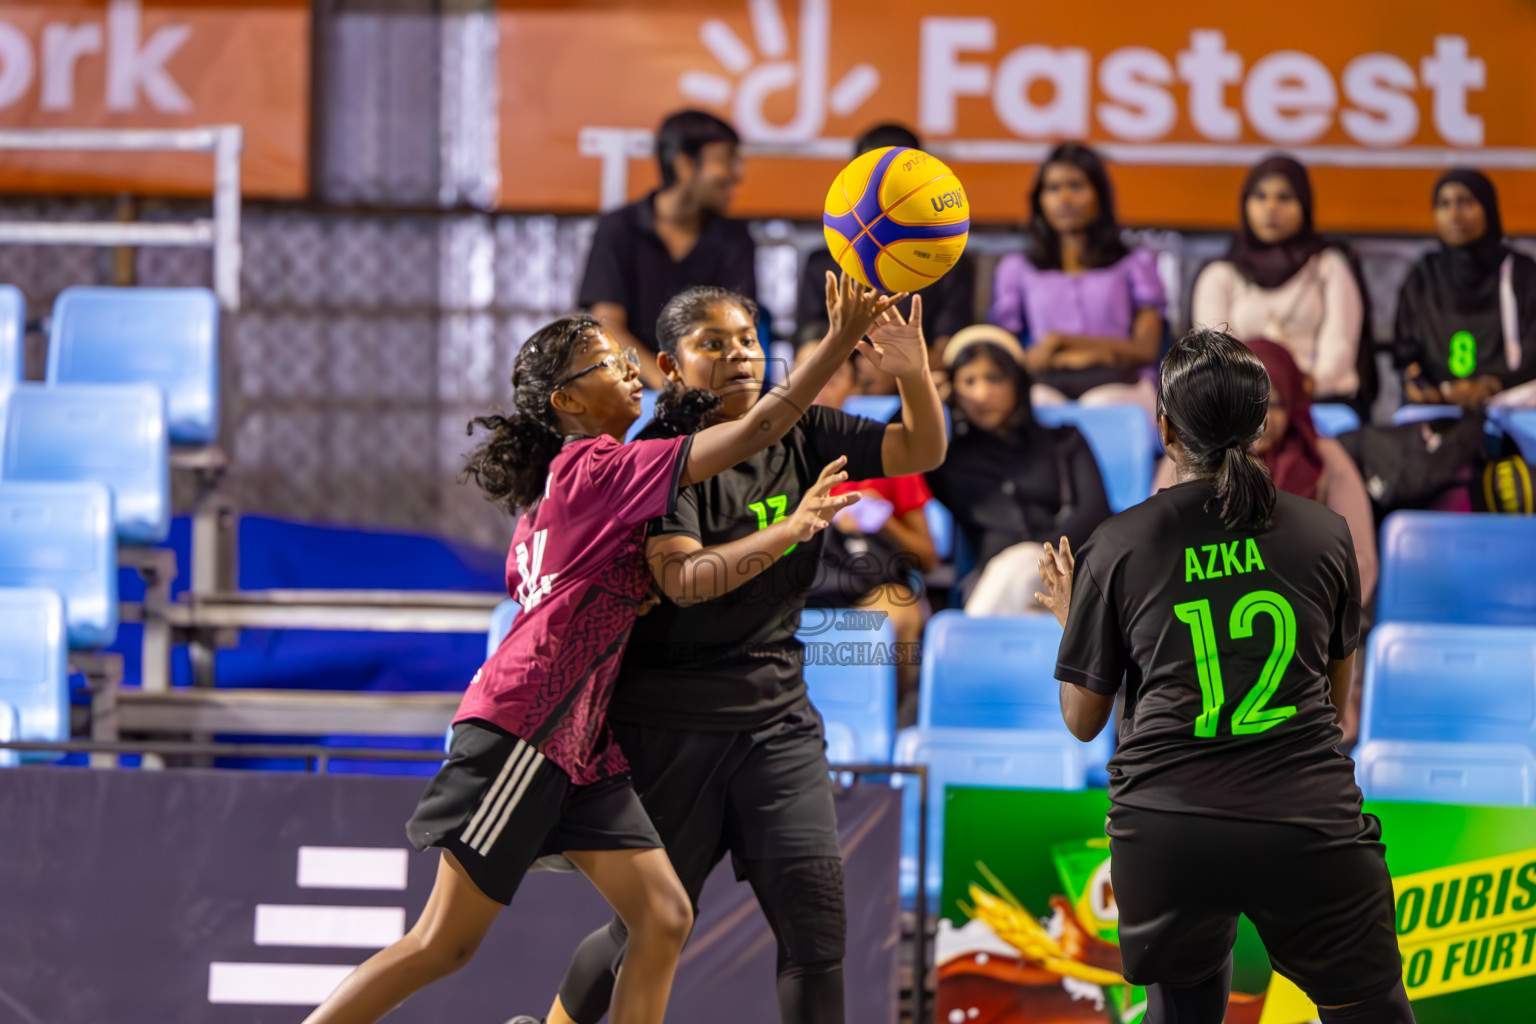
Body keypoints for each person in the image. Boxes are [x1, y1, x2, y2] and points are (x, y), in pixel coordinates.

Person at [301, 274, 902, 1024]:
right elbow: (752, 433)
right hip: (528, 730)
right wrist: (839, 343)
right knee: (442, 944)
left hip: (583, 744)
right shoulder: (599, 467)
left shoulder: (571, 493)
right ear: (569, 402)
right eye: (610, 364)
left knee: (664, 916)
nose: (629, 371)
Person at [540, 283, 947, 1024]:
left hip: (777, 720)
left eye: (749, 340)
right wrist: (790, 530)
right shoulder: (660, 458)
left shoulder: (808, 432)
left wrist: (912, 372)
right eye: (713, 343)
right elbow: (688, 580)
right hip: (669, 727)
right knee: (647, 929)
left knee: (818, 936)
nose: (739, 356)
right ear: (669, 364)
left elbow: (920, 448)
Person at [1041, 329, 1415, 1024]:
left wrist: (1077, 619)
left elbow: (1083, 719)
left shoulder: (1119, 544)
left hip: (1167, 829)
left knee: (1183, 1015)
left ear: (1163, 428)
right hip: (1306, 824)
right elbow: (1332, 709)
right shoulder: (1326, 532)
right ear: (1262, 425)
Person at [1152, 338, 1377, 604]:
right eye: (1250, 404)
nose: (1262, 419)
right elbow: (1163, 545)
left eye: (1276, 405)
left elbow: (1358, 560)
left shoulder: (1324, 458)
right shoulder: (1190, 453)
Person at [795, 335, 938, 718]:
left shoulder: (886, 451)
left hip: (865, 586)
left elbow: (927, 557)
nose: (820, 383)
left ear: (857, 386)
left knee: (899, 615)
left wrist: (882, 519)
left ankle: (878, 729)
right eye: (810, 371)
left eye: (834, 374)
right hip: (791, 585)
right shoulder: (763, 454)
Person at [925, 325, 1111, 614]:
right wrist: (924, 402)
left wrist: (1040, 558)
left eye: (994, 378)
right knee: (1016, 567)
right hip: (993, 585)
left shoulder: (1064, 440)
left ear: (1017, 381)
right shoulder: (948, 458)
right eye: (969, 381)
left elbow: (1094, 512)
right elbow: (894, 460)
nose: (982, 393)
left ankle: (967, 649)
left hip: (1073, 576)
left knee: (1023, 562)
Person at [578, 109, 757, 389]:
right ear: (685, 164)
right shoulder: (618, 229)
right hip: (633, 389)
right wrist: (666, 384)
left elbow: (734, 324)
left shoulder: (734, 238)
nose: (737, 174)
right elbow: (608, 324)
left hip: (710, 389)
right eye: (725, 160)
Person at [987, 141, 1166, 417]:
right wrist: (1074, 356)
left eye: (1076, 186)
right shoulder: (1018, 267)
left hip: (1121, 380)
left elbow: (1145, 349)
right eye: (1053, 188)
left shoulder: (1134, 262)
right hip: (1047, 380)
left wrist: (1061, 343)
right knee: (1034, 405)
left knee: (1102, 405)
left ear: (1099, 195)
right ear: (1039, 199)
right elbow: (1005, 351)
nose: (1065, 198)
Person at [797, 122, 978, 386]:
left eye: (893, 175)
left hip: (914, 379)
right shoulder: (822, 263)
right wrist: (854, 367)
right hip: (841, 377)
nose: (882, 184)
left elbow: (948, 348)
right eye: (872, 173)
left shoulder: (950, 262)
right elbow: (808, 341)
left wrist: (896, 367)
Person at [1191, 154, 1374, 408]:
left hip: (1318, 403)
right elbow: (1214, 357)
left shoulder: (1327, 266)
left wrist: (1302, 387)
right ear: (1245, 204)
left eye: (1284, 197)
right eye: (1260, 196)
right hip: (1242, 407)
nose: (1271, 208)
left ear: (1304, 204)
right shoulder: (1220, 275)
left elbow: (1340, 347)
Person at [1394, 167, 1536, 410]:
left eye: (1465, 202)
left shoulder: (1519, 272)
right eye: (1444, 204)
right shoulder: (1424, 276)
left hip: (1511, 404)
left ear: (1488, 208)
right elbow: (1407, 351)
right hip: (1438, 408)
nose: (1454, 215)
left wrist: (1490, 385)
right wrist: (1419, 386)